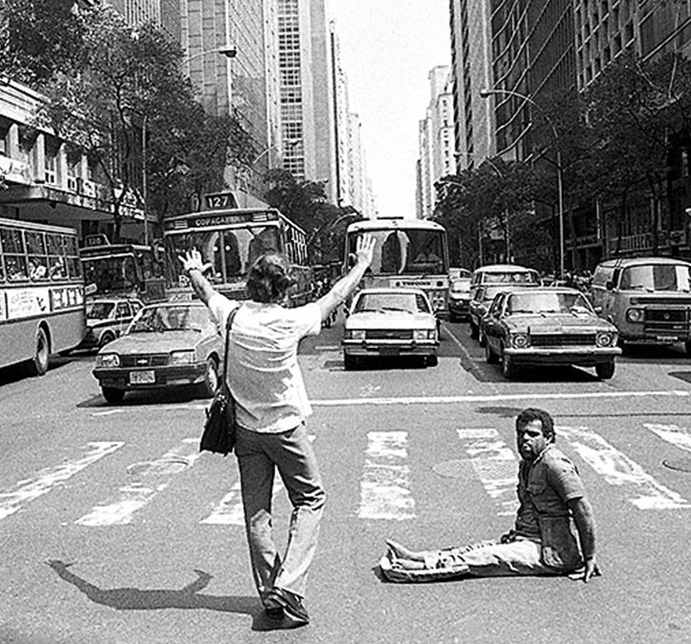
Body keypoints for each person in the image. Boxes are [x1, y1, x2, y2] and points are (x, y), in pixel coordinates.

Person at [179, 233, 376, 627]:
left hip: (246, 433)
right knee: (311, 499)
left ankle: (271, 594)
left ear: (250, 284)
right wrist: (360, 265)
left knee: (257, 514)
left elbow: (206, 293)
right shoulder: (291, 321)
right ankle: (288, 585)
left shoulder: (232, 316)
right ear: (284, 289)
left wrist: (194, 271)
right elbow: (335, 297)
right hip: (286, 430)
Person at [382, 407, 599, 583]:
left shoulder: (556, 466)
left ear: (549, 438)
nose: (525, 439)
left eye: (533, 435)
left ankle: (417, 568)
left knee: (482, 559)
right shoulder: (528, 463)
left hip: (550, 550)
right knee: (475, 548)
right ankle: (419, 557)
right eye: (521, 433)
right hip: (526, 538)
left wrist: (589, 557)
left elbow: (584, 512)